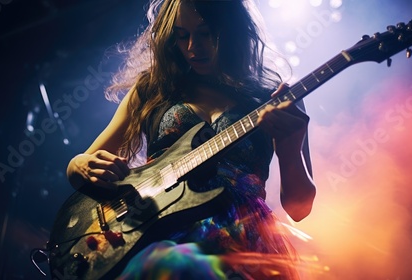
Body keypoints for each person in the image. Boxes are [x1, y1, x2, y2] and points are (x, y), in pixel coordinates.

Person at [66, 0, 316, 279]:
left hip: (244, 247)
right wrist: (79, 164)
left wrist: (290, 150)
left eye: (206, 33)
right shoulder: (152, 89)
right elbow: (79, 170)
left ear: (233, 30)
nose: (192, 47)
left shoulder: (274, 98)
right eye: (182, 35)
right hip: (161, 235)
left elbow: (299, 209)